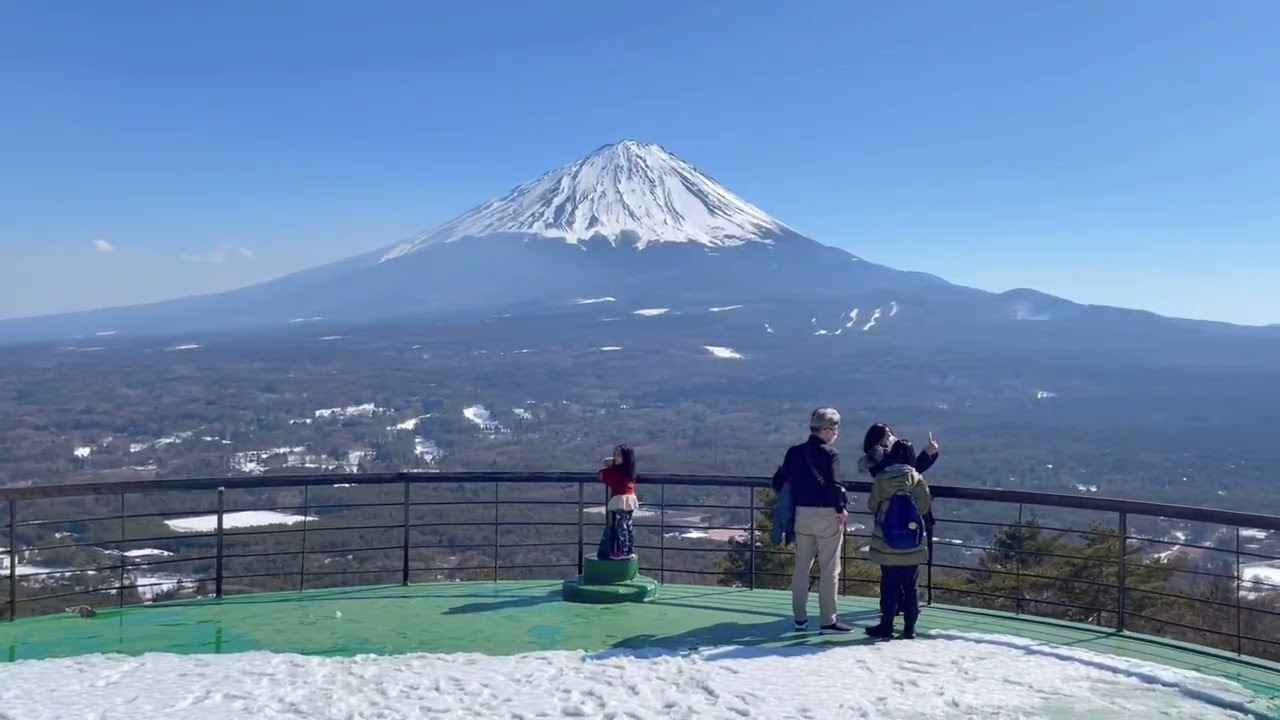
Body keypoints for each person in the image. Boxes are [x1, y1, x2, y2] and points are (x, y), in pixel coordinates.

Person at [776, 407, 852, 634]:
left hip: (801, 515)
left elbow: (779, 481)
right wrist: (841, 509)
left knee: (801, 567)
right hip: (826, 515)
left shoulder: (794, 452)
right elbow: (834, 485)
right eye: (835, 429)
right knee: (829, 568)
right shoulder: (830, 454)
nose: (836, 434)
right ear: (827, 430)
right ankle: (828, 621)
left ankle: (800, 618)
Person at [865, 438, 933, 640]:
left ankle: (886, 625)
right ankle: (909, 629)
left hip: (886, 540)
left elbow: (872, 505)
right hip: (912, 540)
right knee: (911, 586)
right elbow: (924, 506)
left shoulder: (882, 477)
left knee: (889, 584)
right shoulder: (916, 478)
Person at [598, 445, 638, 560]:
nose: (615, 457)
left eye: (618, 455)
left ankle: (623, 551)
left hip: (621, 499)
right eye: (615, 454)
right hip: (630, 499)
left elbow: (606, 477)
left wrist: (607, 467)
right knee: (628, 525)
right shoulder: (629, 471)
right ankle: (629, 549)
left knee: (621, 526)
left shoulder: (617, 472)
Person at [858, 422, 940, 478]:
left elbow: (911, 470)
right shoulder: (884, 460)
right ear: (880, 440)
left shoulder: (874, 460)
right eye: (888, 436)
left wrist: (929, 453)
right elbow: (911, 473)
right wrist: (927, 453)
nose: (893, 439)